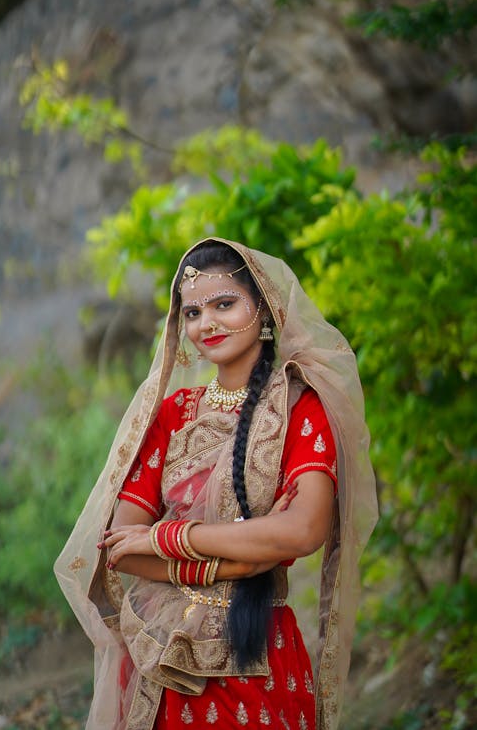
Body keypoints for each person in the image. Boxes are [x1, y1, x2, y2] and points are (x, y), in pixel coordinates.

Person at [55, 238, 378, 730]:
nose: (207, 324)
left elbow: (305, 530)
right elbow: (122, 548)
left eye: (225, 304)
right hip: (167, 658)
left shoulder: (298, 407)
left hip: (259, 656)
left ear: (262, 308)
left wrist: (168, 538)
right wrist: (248, 556)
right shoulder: (173, 414)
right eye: (193, 313)